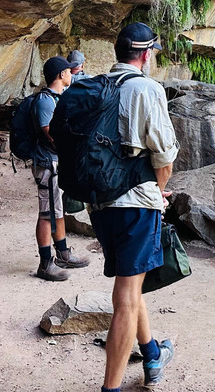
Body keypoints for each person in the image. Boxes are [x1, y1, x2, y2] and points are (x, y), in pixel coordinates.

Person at [88, 22, 179, 391]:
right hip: (136, 205)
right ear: (145, 54)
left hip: (99, 203)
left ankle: (152, 354)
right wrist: (158, 193)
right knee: (126, 295)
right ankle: (110, 387)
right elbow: (165, 157)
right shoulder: (147, 88)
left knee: (132, 280)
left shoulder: (93, 87)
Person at [33, 55, 91, 281]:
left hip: (55, 162)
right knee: (46, 213)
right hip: (47, 163)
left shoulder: (59, 97)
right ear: (60, 75)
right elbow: (51, 135)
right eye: (68, 71)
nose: (71, 74)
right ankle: (45, 263)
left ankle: (63, 253)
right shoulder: (46, 101)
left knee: (57, 211)